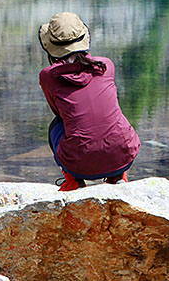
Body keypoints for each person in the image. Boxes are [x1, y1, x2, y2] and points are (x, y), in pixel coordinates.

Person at [38, 12, 141, 191]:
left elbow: (59, 113)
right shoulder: (106, 65)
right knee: (111, 117)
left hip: (79, 164)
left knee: (57, 126)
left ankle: (73, 181)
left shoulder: (49, 76)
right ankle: (118, 176)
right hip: (124, 155)